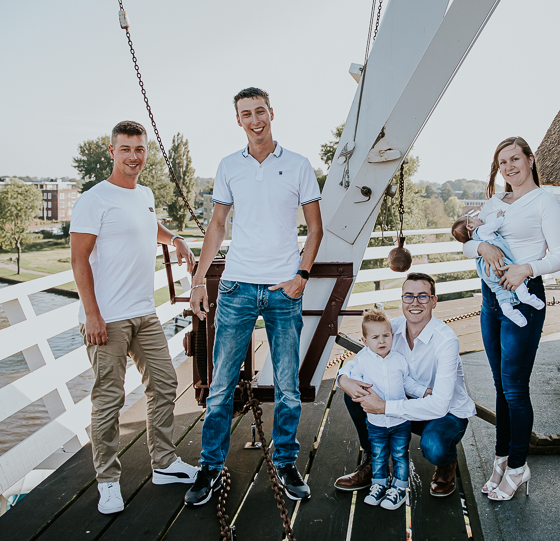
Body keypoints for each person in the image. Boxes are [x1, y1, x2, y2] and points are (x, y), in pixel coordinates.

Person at [184, 87, 323, 506]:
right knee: (222, 386)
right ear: (239, 120)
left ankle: (285, 462)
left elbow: (315, 230)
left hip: (284, 290)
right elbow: (217, 227)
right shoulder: (229, 166)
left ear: (271, 113)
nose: (254, 119)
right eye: (246, 114)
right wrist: (197, 279)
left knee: (287, 386)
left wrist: (302, 275)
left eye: (260, 111)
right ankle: (210, 466)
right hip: (237, 287)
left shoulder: (298, 165)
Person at [70, 120, 201, 515]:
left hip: (143, 313)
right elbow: (78, 260)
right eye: (125, 148)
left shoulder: (143, 193)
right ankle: (108, 481)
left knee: (164, 384)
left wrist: (174, 238)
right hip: (107, 319)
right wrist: (92, 314)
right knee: (108, 400)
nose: (133, 156)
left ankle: (163, 463)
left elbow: (147, 226)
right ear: (111, 152)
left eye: (139, 149)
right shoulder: (94, 200)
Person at [463, 136, 560, 501]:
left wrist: (526, 268)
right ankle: (502, 457)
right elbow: (467, 239)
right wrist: (481, 246)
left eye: (515, 159)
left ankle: (519, 467)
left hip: (523, 301)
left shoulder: (545, 202)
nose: (509, 167)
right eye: (502, 162)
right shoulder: (494, 203)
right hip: (491, 300)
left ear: (529, 159)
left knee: (515, 389)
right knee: (498, 387)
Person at [335, 273, 476, 498]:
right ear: (402, 300)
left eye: (422, 296)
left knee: (434, 446)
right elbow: (360, 361)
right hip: (404, 401)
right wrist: (344, 380)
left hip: (444, 412)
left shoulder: (446, 341)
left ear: (434, 301)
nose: (415, 303)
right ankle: (373, 458)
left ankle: (447, 462)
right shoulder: (391, 329)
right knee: (355, 393)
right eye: (408, 296)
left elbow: (439, 405)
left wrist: (383, 408)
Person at [338, 308, 430, 510]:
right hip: (376, 422)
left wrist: (424, 392)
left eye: (386, 336)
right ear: (364, 341)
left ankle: (399, 488)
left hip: (399, 421)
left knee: (399, 454)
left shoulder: (398, 359)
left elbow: (407, 383)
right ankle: (378, 484)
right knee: (378, 454)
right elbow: (349, 375)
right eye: (375, 337)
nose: (381, 341)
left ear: (392, 336)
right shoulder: (362, 361)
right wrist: (345, 380)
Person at [451, 211, 545, 326]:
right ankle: (525, 296)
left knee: (500, 292)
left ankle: (509, 311)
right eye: (472, 218)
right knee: (512, 277)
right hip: (499, 264)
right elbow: (494, 225)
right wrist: (500, 217)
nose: (477, 217)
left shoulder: (474, 240)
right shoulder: (481, 230)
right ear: (470, 226)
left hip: (486, 272)